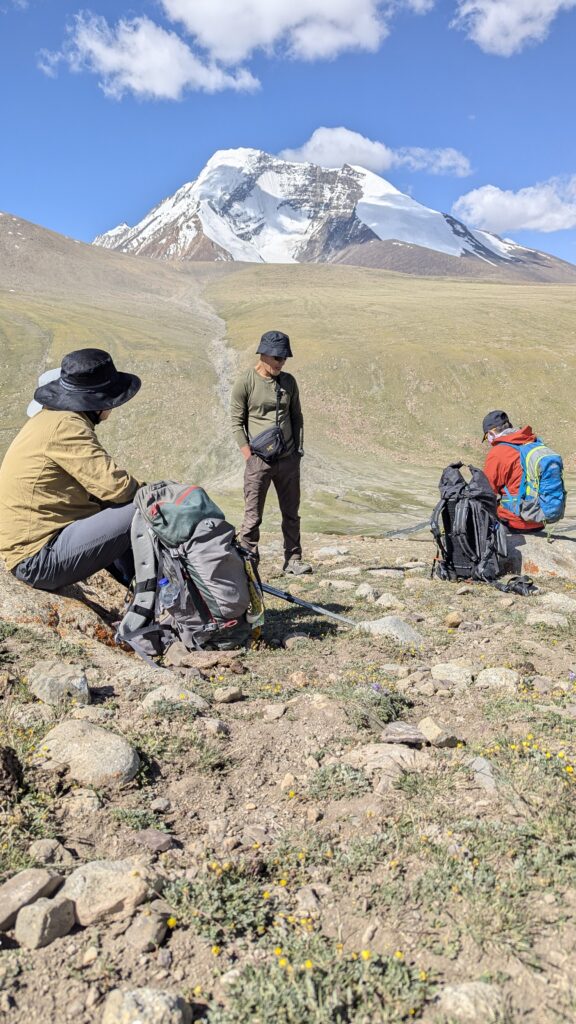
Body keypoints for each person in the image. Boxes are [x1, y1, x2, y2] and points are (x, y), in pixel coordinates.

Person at [0, 348, 141, 591]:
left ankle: (130, 589)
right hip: (36, 559)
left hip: (36, 545)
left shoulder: (51, 419)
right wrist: (156, 493)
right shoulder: (67, 426)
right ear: (97, 401)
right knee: (146, 509)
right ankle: (151, 602)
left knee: (121, 508)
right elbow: (117, 487)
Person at [230, 330, 312, 575]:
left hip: (288, 461)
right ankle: (248, 563)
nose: (281, 362)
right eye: (277, 357)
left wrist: (296, 451)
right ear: (263, 354)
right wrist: (249, 456)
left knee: (291, 514)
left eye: (284, 357)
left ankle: (293, 560)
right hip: (259, 461)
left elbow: (297, 417)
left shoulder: (289, 382)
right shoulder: (245, 382)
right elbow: (236, 422)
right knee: (253, 516)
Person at [481, 410, 544, 532]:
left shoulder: (498, 452)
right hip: (541, 520)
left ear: (491, 433)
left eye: (486, 437)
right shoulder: (533, 443)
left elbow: (487, 491)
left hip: (515, 521)